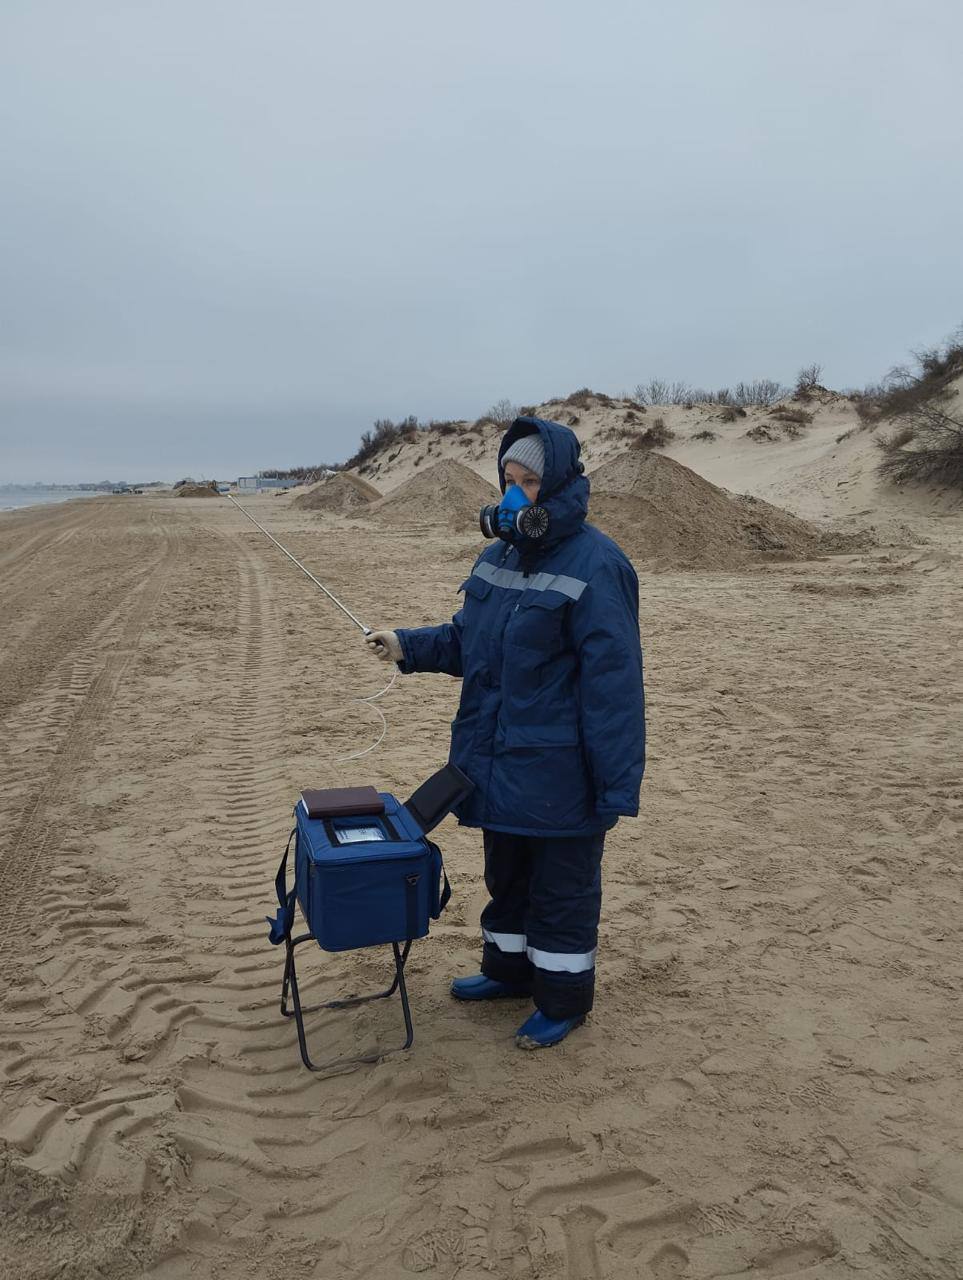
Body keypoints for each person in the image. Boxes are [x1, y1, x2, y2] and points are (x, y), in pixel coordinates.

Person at [366, 416, 645, 1049]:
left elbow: (615, 688)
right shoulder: (496, 556)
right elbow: (469, 641)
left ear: (561, 487)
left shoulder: (600, 566)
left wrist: (615, 788)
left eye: (529, 482)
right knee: (507, 878)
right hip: (493, 762)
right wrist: (405, 646)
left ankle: (563, 999)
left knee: (562, 892)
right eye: (507, 480)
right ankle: (508, 973)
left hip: (561, 774)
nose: (514, 495)